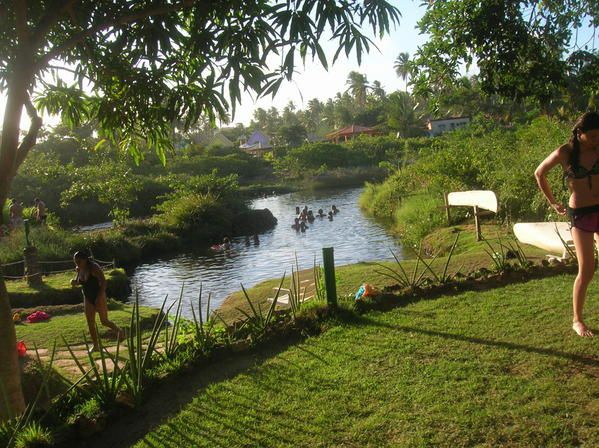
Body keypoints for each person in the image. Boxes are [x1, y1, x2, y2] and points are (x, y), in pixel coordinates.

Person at [535, 111, 599, 337]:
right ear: (579, 133)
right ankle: (577, 320)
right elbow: (539, 173)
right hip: (581, 214)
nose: (595, 141)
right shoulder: (566, 153)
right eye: (591, 137)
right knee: (587, 269)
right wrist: (552, 203)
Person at [71, 250, 124, 352]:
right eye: (75, 261)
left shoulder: (94, 267)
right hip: (87, 297)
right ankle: (96, 346)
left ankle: (120, 332)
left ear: (85, 259)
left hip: (99, 295)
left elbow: (104, 282)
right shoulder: (79, 269)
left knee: (104, 321)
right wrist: (74, 282)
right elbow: (79, 282)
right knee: (90, 322)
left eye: (79, 261)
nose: (77, 263)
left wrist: (99, 297)